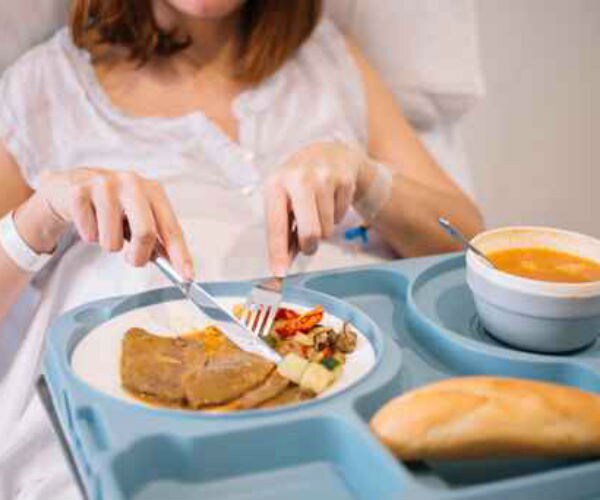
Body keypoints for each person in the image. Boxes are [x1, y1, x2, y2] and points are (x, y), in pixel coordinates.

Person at [0, 0, 483, 498]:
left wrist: (368, 180)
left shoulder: (326, 60)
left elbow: (467, 245)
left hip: (349, 426)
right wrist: (40, 217)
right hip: (137, 452)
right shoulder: (44, 90)